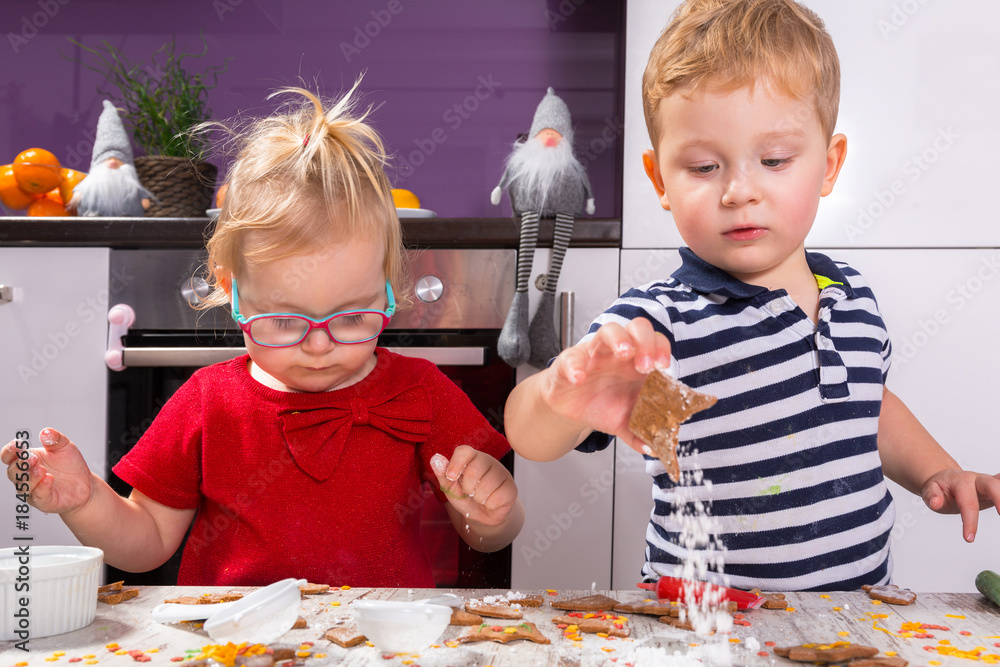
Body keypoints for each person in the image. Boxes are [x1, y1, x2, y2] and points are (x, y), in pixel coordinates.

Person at [505, 0, 1000, 592]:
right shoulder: (661, 327)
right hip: (704, 632)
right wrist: (563, 391)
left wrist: (935, 471)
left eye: (774, 160)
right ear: (661, 180)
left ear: (829, 165)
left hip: (855, 623)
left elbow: (867, 406)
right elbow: (527, 432)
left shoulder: (851, 296)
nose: (740, 190)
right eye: (704, 166)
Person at [3, 84, 524, 587]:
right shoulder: (206, 402)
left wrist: (494, 513)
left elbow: (485, 537)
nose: (320, 346)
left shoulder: (420, 390)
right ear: (233, 292)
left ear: (386, 288)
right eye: (284, 321)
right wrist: (86, 501)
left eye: (350, 318)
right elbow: (148, 543)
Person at [491, 87, 595, 369]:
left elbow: (584, 184)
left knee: (555, 266)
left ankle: (545, 321)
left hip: (564, 214)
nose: (550, 137)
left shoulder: (570, 169)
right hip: (529, 212)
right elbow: (506, 177)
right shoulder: (525, 166)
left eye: (556, 133)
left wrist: (589, 201)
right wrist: (499, 189)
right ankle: (519, 315)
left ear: (566, 138)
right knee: (525, 263)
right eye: (545, 131)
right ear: (535, 134)